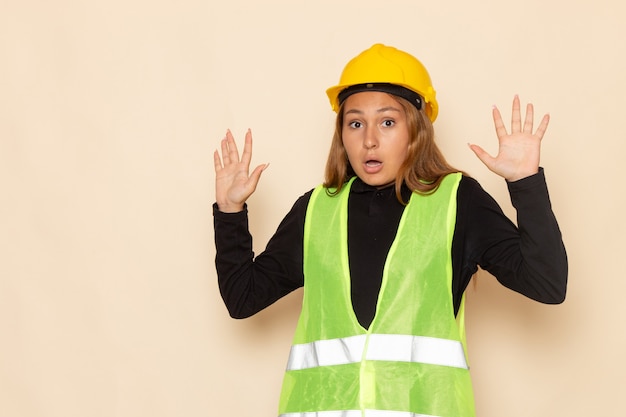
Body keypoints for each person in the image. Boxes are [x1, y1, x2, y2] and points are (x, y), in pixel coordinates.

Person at [212, 43, 567, 417]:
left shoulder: (457, 201)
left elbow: (547, 284)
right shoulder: (316, 209)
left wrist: (525, 184)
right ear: (342, 133)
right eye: (355, 123)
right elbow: (242, 298)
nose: (369, 140)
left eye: (387, 122)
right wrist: (230, 211)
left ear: (417, 129)